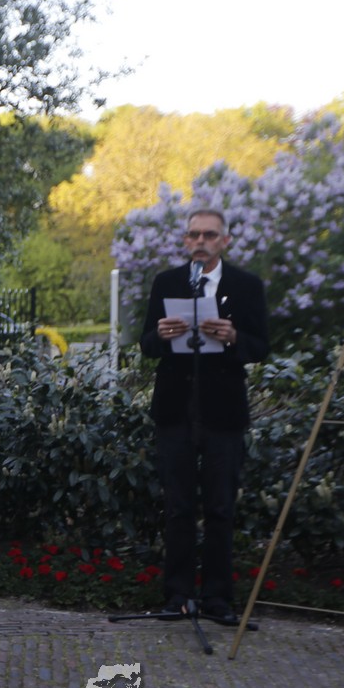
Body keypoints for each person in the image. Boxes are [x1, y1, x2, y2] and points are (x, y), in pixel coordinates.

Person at [140, 208, 269, 623]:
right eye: (194, 235)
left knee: (219, 509)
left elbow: (261, 346)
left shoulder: (246, 285)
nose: (200, 242)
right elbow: (145, 344)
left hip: (223, 412)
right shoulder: (167, 282)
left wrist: (233, 338)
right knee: (178, 507)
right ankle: (177, 595)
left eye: (209, 235)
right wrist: (161, 336)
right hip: (175, 410)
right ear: (185, 241)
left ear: (224, 241)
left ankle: (217, 599)